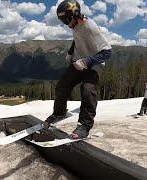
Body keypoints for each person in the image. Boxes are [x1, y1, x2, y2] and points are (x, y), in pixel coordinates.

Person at [44, 0, 112, 139]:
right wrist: (70, 52)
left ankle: (84, 126)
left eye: (64, 20)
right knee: (62, 86)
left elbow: (107, 52)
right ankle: (59, 113)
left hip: (93, 65)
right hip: (77, 62)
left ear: (73, 16)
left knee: (88, 91)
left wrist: (87, 61)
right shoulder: (75, 25)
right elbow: (77, 39)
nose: (64, 24)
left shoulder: (90, 27)